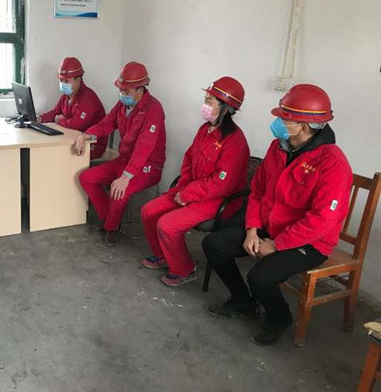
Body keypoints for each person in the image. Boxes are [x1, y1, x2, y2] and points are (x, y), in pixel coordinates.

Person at [202, 84, 352, 345]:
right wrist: (252, 229)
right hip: (268, 226)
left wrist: (277, 244)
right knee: (214, 244)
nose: (278, 122)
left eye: (284, 118)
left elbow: (321, 220)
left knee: (260, 277)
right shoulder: (278, 147)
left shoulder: (332, 163)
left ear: (303, 127)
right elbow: (258, 191)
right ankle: (243, 301)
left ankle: (278, 318)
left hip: (310, 241)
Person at [140, 77, 249, 287]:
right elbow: (189, 160)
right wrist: (182, 189)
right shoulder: (204, 130)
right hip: (191, 190)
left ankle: (185, 269)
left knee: (167, 225)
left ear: (225, 107)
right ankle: (163, 255)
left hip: (218, 200)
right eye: (205, 99)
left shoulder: (235, 141)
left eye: (209, 101)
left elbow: (222, 184)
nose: (204, 105)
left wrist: (188, 194)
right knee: (148, 211)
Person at [75, 62, 166, 246]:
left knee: (119, 191)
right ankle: (108, 219)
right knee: (87, 178)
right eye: (121, 90)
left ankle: (112, 227)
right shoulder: (122, 105)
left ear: (140, 89)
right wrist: (85, 135)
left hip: (148, 165)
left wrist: (126, 176)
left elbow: (144, 147)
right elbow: (106, 124)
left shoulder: (153, 109)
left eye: (126, 90)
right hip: (124, 160)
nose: (122, 94)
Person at [37, 57, 107, 159]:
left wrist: (59, 121)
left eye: (66, 81)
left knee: (60, 156)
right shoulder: (66, 96)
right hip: (73, 138)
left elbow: (78, 123)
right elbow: (56, 112)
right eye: (61, 80)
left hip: (92, 143)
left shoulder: (88, 97)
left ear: (78, 80)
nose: (62, 84)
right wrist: (40, 118)